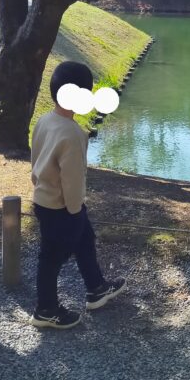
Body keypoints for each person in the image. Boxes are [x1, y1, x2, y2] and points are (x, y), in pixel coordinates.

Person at [30, 61, 126, 329]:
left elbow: (35, 155)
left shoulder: (46, 121)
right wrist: (74, 211)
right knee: (51, 258)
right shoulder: (73, 134)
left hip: (43, 198)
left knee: (86, 240)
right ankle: (46, 309)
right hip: (62, 207)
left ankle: (96, 288)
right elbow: (71, 178)